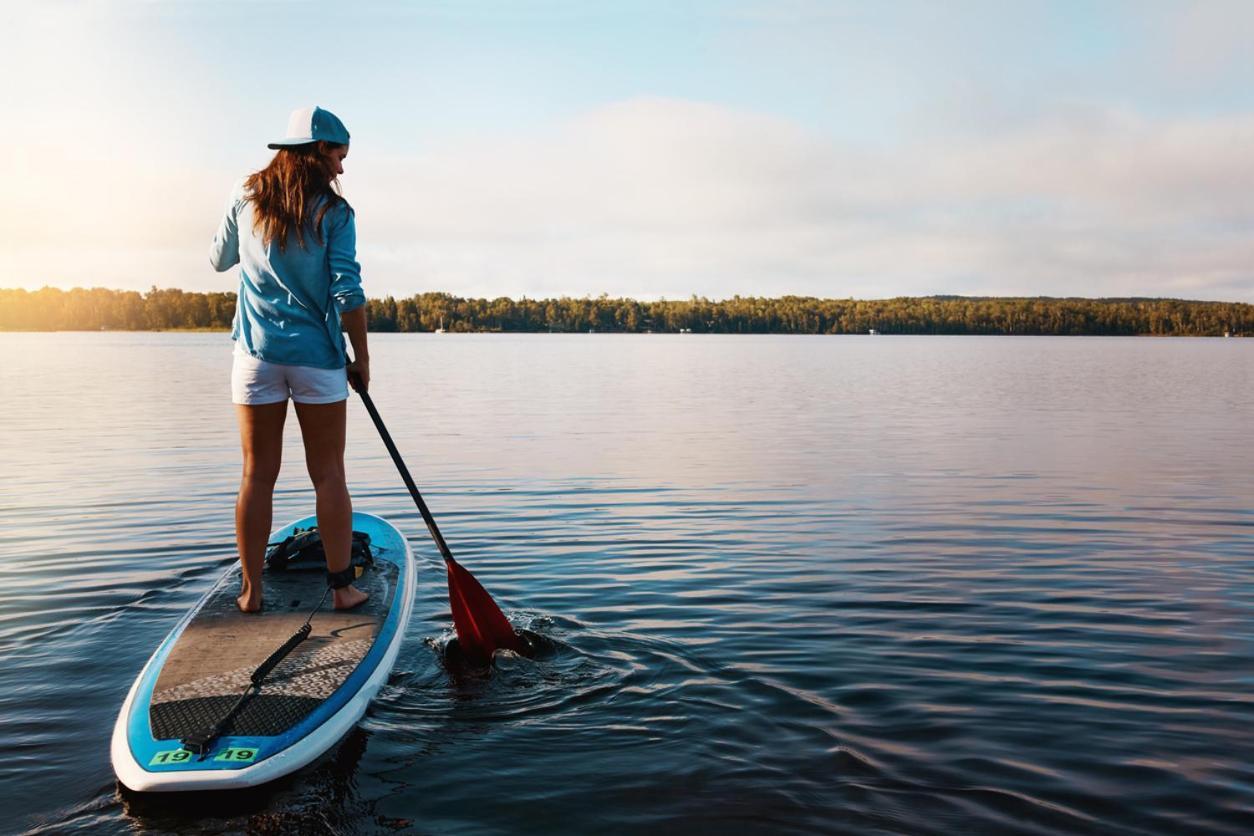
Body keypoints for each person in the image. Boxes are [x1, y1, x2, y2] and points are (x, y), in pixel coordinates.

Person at [210, 105, 369, 613]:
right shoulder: (336, 214)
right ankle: (343, 589)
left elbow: (219, 259)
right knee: (329, 474)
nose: (342, 169)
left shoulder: (245, 194)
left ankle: (252, 593)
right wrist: (361, 357)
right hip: (318, 359)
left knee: (257, 473)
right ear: (318, 149)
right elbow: (348, 291)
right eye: (339, 157)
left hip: (256, 357)